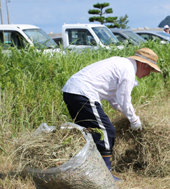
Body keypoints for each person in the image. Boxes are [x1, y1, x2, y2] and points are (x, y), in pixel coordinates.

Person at [62, 47, 162, 180]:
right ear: (143, 64)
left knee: (89, 133)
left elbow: (115, 101)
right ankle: (104, 175)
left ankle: (86, 170)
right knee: (106, 132)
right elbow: (124, 99)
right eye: (150, 69)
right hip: (83, 93)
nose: (149, 74)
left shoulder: (121, 64)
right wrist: (134, 120)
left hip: (71, 91)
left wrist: (128, 114)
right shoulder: (128, 71)